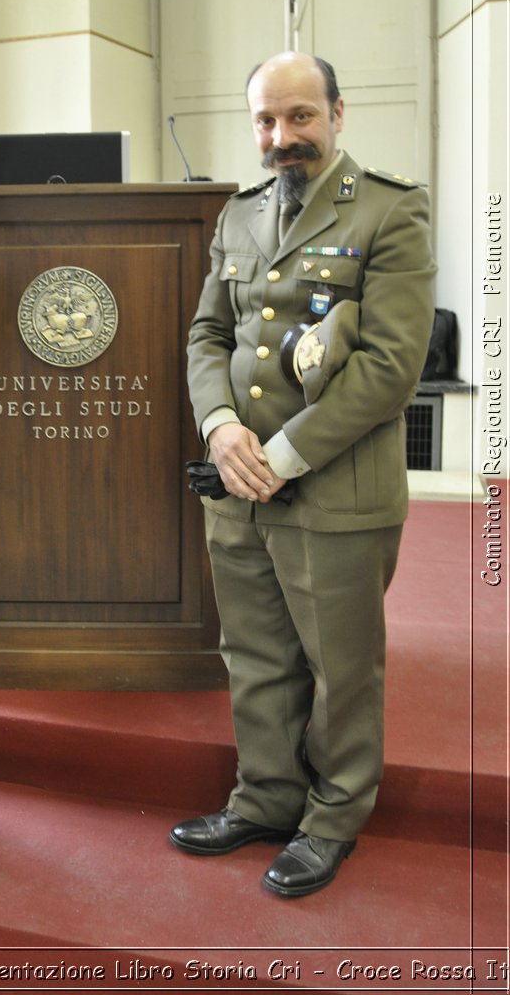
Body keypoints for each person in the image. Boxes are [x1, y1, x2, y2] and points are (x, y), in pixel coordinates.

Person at [170, 51, 436, 896]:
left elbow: (391, 368)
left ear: (337, 113)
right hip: (238, 488)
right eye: (265, 121)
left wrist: (277, 457)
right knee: (253, 655)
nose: (281, 138)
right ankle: (265, 797)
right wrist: (218, 427)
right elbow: (207, 337)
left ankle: (332, 818)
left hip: (331, 490)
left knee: (339, 665)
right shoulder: (237, 216)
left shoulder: (391, 211)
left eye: (299, 118)